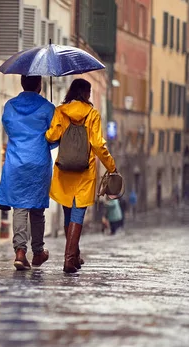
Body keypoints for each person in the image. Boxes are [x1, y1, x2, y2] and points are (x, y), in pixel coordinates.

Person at [45, 78, 118, 274]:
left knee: (68, 213)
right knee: (78, 214)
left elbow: (51, 137)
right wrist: (111, 166)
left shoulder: (61, 111)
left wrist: (55, 118)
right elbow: (98, 145)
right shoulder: (92, 114)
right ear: (86, 93)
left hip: (64, 169)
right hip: (85, 172)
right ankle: (69, 259)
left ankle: (74, 256)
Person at [0, 75, 57, 271]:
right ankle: (38, 251)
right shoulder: (47, 108)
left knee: (20, 207)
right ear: (40, 85)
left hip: (15, 161)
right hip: (38, 161)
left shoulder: (10, 106)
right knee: (37, 209)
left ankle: (20, 253)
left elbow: (8, 128)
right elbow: (54, 137)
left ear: (22, 83)